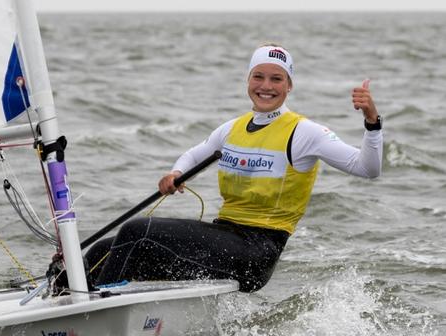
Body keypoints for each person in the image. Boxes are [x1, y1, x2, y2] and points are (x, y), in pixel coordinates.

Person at [84, 43, 383, 292]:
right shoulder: (232, 129)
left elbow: (366, 168)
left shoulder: (305, 132)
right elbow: (193, 154)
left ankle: (99, 309)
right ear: (248, 80)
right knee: (99, 253)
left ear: (289, 85)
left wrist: (371, 120)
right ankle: (58, 305)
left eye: (276, 79)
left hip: (256, 252)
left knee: (137, 230)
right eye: (259, 76)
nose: (266, 86)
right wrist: (175, 174)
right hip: (223, 238)